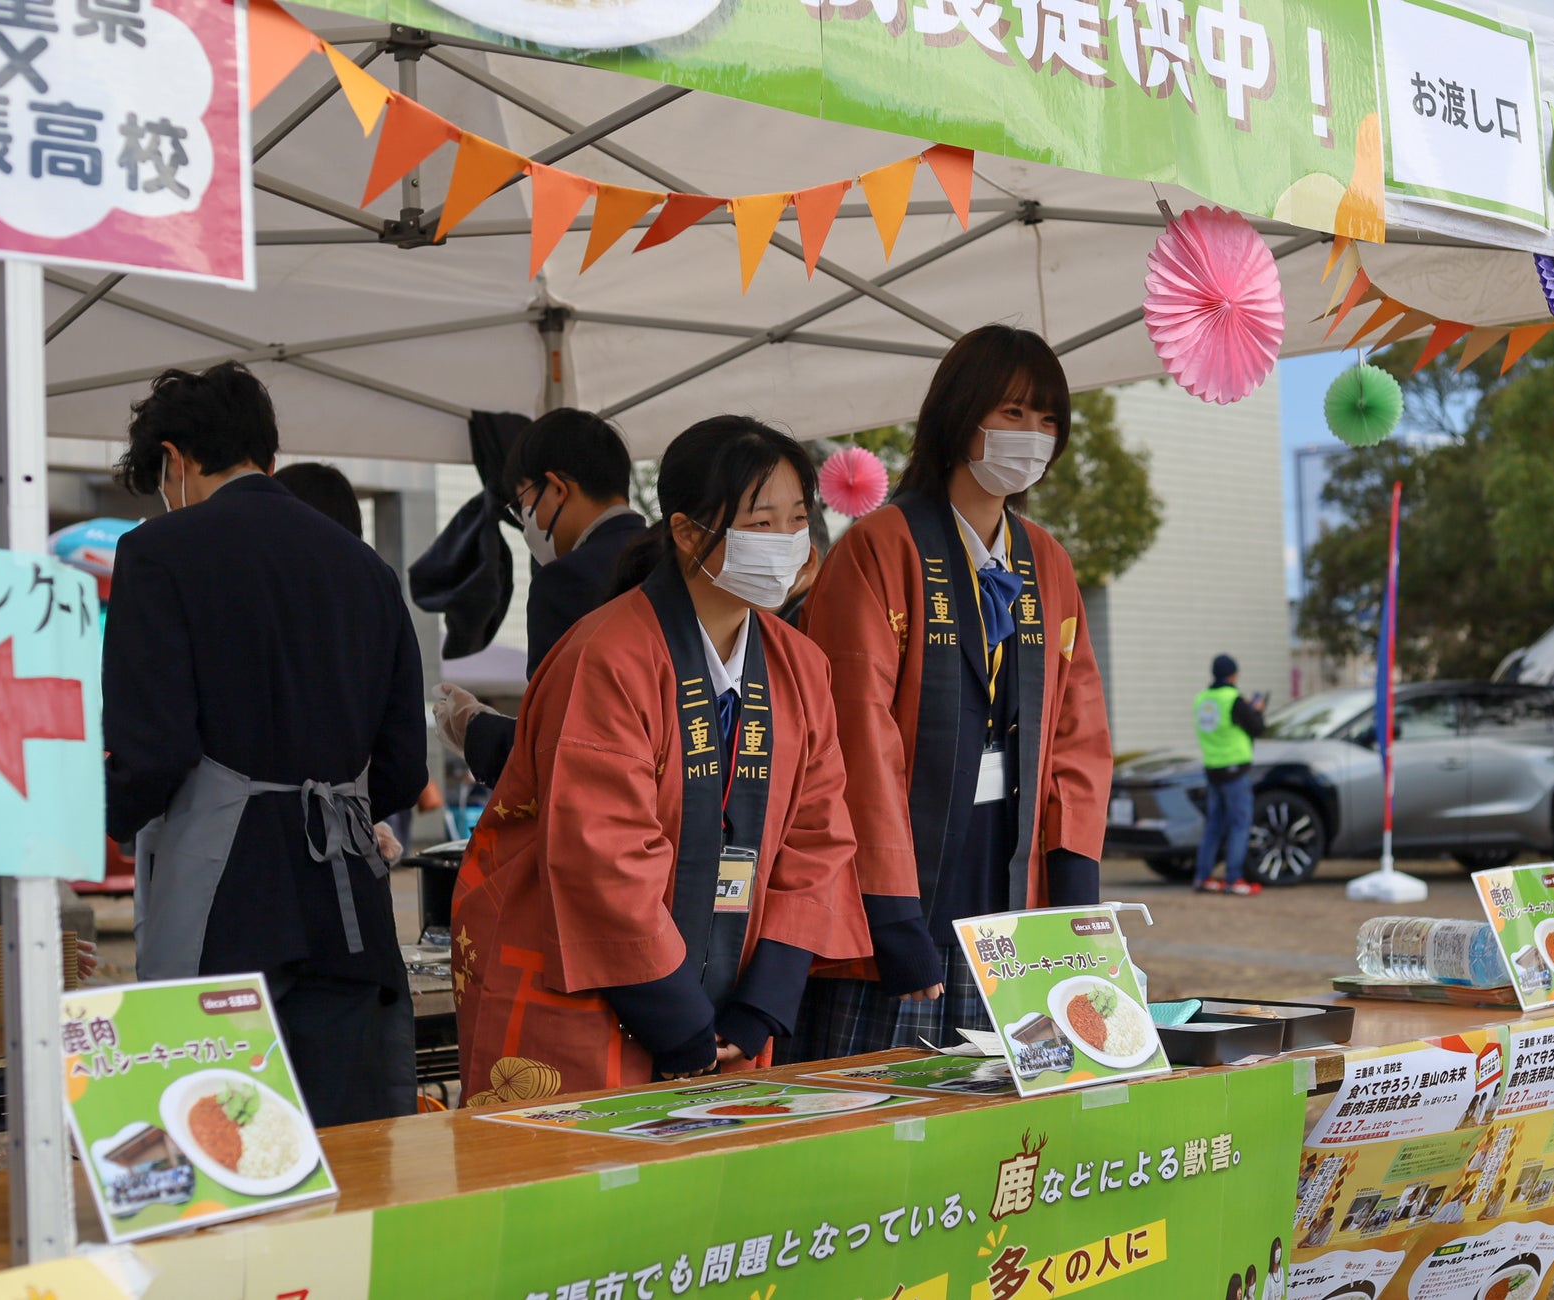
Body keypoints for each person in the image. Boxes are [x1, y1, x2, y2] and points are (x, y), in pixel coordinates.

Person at [451, 416, 869, 1096]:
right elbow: (602, 854)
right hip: (596, 1000)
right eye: (761, 524)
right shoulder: (606, 656)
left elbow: (819, 837)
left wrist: (761, 1006)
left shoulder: (801, 664)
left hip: (732, 1011)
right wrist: (682, 1024)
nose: (789, 543)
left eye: (799, 520)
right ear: (685, 531)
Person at [103, 362, 427, 1126]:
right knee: (350, 1167)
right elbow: (404, 765)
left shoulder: (159, 552)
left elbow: (154, 753)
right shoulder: (368, 569)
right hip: (350, 919)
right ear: (268, 457)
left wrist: (93, 817)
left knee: (225, 1161)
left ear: (174, 461)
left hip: (225, 917)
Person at [792, 324, 1112, 1060]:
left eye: (1048, 420)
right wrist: (891, 907)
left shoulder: (1047, 562)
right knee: (879, 1118)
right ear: (960, 416)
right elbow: (855, 739)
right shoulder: (880, 547)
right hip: (905, 888)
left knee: (1006, 1119)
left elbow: (1078, 731)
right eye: (1012, 413)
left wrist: (1074, 883)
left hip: (1011, 881)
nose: (1032, 435)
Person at [432, 408, 646, 788]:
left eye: (522, 504)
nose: (524, 519)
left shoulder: (565, 580)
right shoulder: (671, 562)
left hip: (607, 811)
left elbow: (554, 742)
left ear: (558, 489)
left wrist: (475, 728)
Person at [273, 461, 408, 865]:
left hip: (253, 853)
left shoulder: (251, 604)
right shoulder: (378, 596)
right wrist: (358, 806)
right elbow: (402, 765)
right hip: (352, 843)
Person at [1194, 654, 1267, 896]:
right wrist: (1256, 710)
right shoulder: (1234, 700)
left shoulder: (1202, 700)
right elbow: (1257, 727)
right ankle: (1234, 878)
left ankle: (1203, 876)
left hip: (1212, 770)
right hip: (1235, 771)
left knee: (1214, 826)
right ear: (1233, 675)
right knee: (1239, 826)